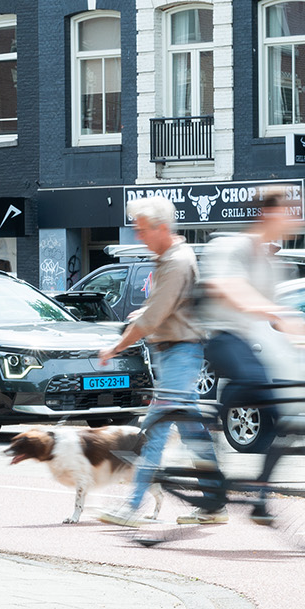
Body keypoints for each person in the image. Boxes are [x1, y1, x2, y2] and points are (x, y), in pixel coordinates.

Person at [98, 196, 217, 527]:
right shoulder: (167, 258)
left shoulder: (176, 261)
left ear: (162, 228)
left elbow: (152, 319)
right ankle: (214, 502)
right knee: (193, 432)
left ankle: (132, 506)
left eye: (142, 230)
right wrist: (146, 315)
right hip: (174, 353)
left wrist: (115, 348)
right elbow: (163, 309)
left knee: (155, 427)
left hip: (180, 354)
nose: (139, 237)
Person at [197, 185, 305, 522]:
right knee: (252, 381)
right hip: (220, 336)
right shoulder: (229, 247)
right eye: (288, 211)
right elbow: (230, 290)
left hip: (244, 340)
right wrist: (272, 312)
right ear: (268, 213)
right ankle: (213, 419)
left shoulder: (270, 263)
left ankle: (260, 499)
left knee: (279, 415)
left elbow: (277, 312)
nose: (295, 218)